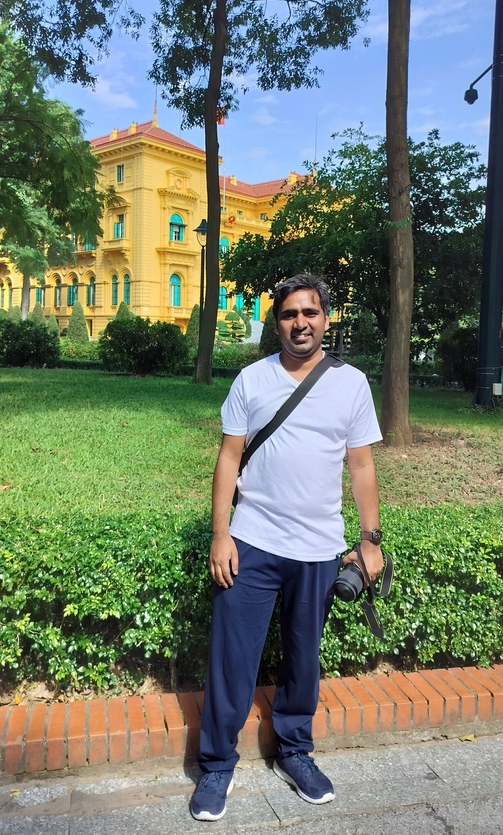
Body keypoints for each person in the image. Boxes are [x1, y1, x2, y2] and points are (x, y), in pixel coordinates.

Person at [190, 273, 384, 822]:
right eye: (288, 314)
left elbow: (362, 464)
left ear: (326, 319)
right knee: (232, 658)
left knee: (304, 658)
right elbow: (229, 458)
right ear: (276, 323)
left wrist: (370, 542)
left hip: (319, 547)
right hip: (252, 541)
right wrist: (221, 533)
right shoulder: (251, 380)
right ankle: (216, 765)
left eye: (310, 313)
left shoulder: (352, 384)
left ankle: (295, 751)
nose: (300, 323)